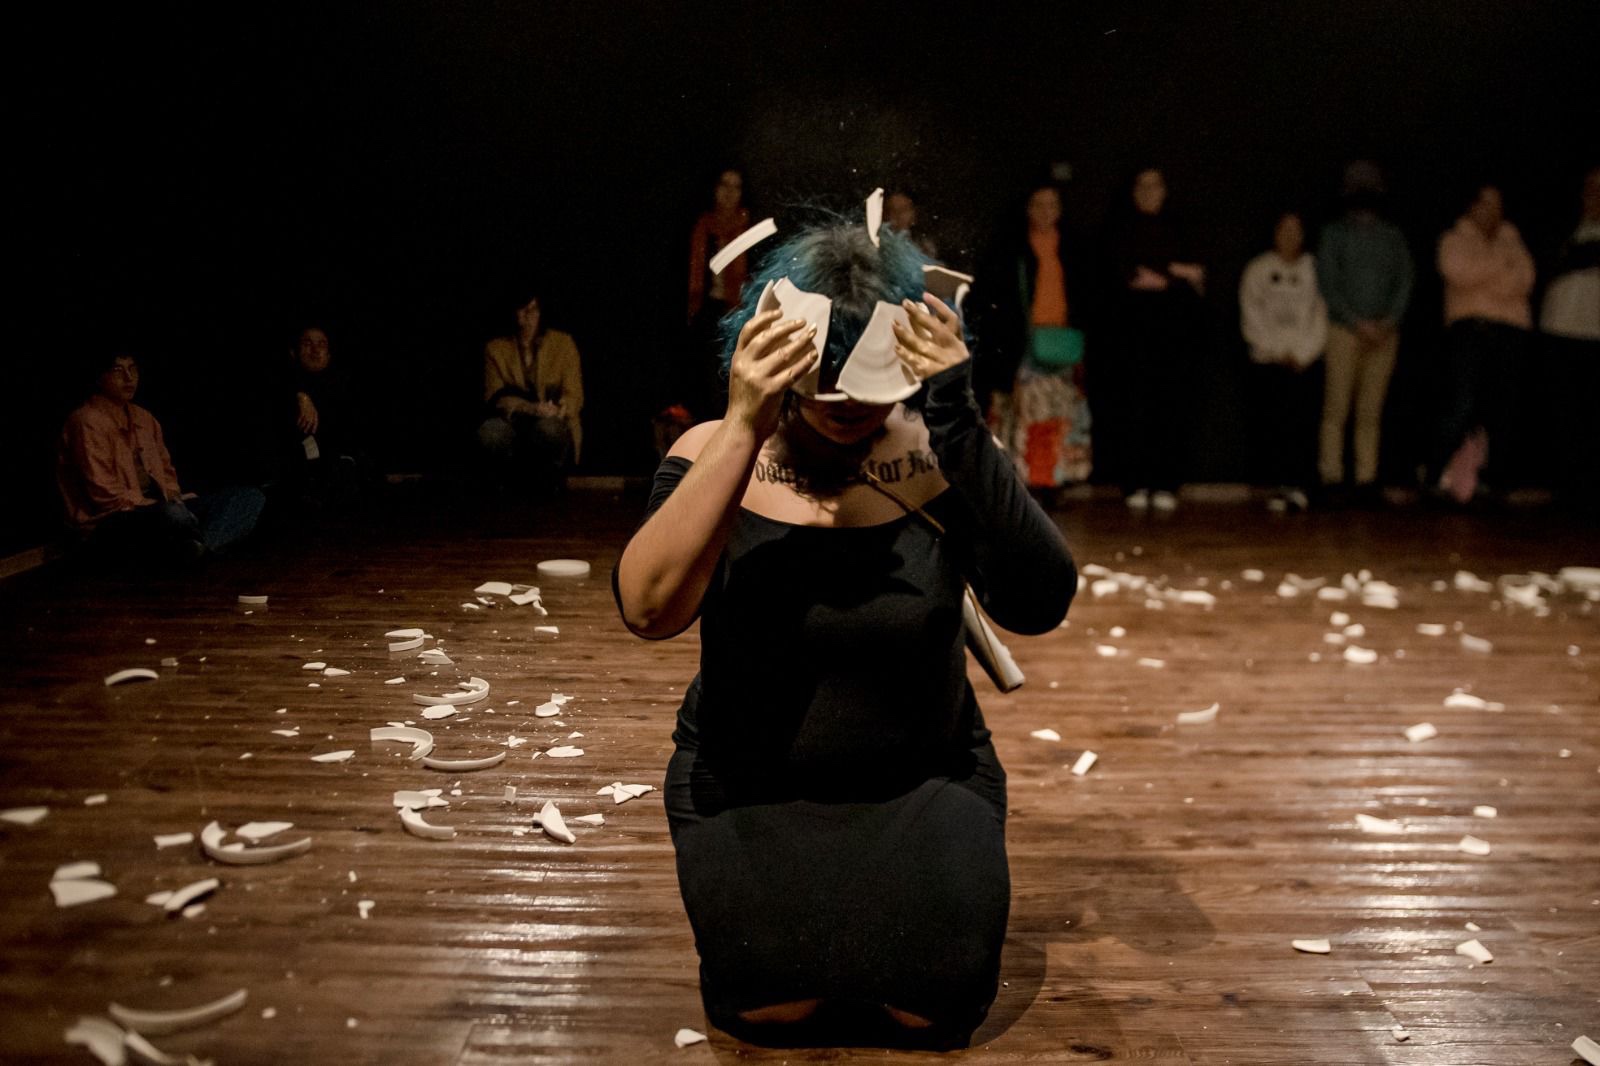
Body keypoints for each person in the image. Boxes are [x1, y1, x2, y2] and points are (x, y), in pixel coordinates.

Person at [612, 222, 1075, 1049]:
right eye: (827, 379)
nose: (848, 405)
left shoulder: (938, 454)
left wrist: (959, 422)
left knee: (933, 1010)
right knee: (771, 1008)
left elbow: (1039, 602)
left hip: (924, 777)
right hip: (747, 782)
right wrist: (744, 423)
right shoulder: (712, 450)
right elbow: (649, 609)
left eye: (870, 379)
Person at [57, 352, 265, 561]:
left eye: (133, 369)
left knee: (248, 497)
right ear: (100, 377)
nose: (129, 378)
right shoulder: (86, 422)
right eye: (118, 370)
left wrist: (174, 496)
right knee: (173, 515)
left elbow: (166, 471)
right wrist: (159, 506)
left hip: (158, 510)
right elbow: (104, 495)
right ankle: (194, 541)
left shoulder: (144, 418)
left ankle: (201, 546)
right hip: (112, 518)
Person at [972, 182, 1091, 499]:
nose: (1045, 212)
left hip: (1062, 342)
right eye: (1038, 204)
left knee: (1058, 416)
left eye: (1052, 205)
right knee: (1024, 416)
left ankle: (1052, 481)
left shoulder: (1072, 247)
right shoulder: (1012, 248)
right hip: (1023, 346)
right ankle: (1022, 483)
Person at [1105, 166, 1205, 511]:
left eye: (1155, 185)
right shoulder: (1120, 230)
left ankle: (1166, 481)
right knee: (1135, 407)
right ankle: (1135, 481)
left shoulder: (1180, 228)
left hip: (1173, 337)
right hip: (1132, 337)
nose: (1149, 192)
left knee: (1169, 407)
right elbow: (1126, 274)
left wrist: (1167, 275)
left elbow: (1196, 274)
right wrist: (1175, 271)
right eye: (1142, 186)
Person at [1315, 161, 1413, 508]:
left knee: (1371, 410)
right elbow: (1328, 282)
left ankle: (1366, 479)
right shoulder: (1334, 235)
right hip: (1344, 331)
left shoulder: (1392, 237)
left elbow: (1404, 280)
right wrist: (1356, 322)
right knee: (1336, 406)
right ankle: (1331, 477)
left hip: (1384, 334)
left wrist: (1388, 321)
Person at [1431, 183, 1536, 502]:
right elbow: (1458, 272)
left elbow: (1525, 278)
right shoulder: (1454, 239)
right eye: (1488, 203)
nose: (1494, 211)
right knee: (1461, 404)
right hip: (1470, 331)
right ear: (1472, 206)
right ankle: (1440, 477)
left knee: (1503, 408)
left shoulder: (1513, 240)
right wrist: (1500, 268)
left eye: (1498, 204)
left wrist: (1485, 274)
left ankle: (1494, 482)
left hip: (1511, 333)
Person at [1239, 210, 1328, 510]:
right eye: (1284, 229)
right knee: (1273, 427)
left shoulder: (1314, 268)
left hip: (1305, 362)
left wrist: (1302, 353)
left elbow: (1321, 314)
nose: (1290, 236)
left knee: (1302, 427)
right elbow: (1251, 314)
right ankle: (1276, 486)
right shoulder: (1258, 269)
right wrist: (1278, 351)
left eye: (1296, 229)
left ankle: (1301, 487)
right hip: (1269, 362)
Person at [1538, 166, 1599, 509]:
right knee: (1565, 416)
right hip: (1561, 329)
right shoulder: (1565, 227)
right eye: (1591, 188)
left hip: (1595, 332)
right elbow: (1549, 261)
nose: (1596, 196)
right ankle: (1568, 488)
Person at [477, 295, 584, 489]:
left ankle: (549, 481)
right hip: (514, 422)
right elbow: (495, 397)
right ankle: (505, 482)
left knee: (549, 430)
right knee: (490, 432)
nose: (523, 318)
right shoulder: (496, 348)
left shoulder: (562, 344)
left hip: (551, 420)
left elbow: (574, 394)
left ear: (540, 312)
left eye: (530, 311)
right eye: (520, 311)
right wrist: (530, 408)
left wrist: (558, 409)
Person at [278, 325, 363, 497]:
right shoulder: (284, 385)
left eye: (322, 344)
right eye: (307, 343)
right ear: (293, 352)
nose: (315, 350)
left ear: (329, 354)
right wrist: (300, 396)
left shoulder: (345, 385)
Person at [884, 190, 938, 257]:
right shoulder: (883, 244)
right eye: (893, 210)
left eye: (903, 209)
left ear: (914, 213)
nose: (898, 215)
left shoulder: (925, 245)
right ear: (886, 215)